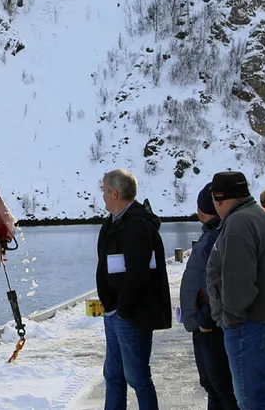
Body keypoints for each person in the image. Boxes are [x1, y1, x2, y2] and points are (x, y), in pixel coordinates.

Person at [206, 171, 265, 410]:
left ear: (219, 198)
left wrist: (229, 319)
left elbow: (238, 281)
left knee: (250, 398)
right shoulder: (260, 216)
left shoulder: (238, 223)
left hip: (252, 323)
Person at [96, 168, 171, 410]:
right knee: (113, 376)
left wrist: (124, 310)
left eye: (105, 191)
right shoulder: (113, 223)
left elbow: (138, 272)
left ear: (115, 193)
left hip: (131, 314)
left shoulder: (137, 224)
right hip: (114, 312)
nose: (103, 196)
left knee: (137, 377)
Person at [179, 182, 239, 410]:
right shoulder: (211, 234)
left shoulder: (217, 237)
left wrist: (206, 317)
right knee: (213, 387)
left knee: (222, 388)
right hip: (203, 324)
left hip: (211, 326)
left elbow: (222, 281)